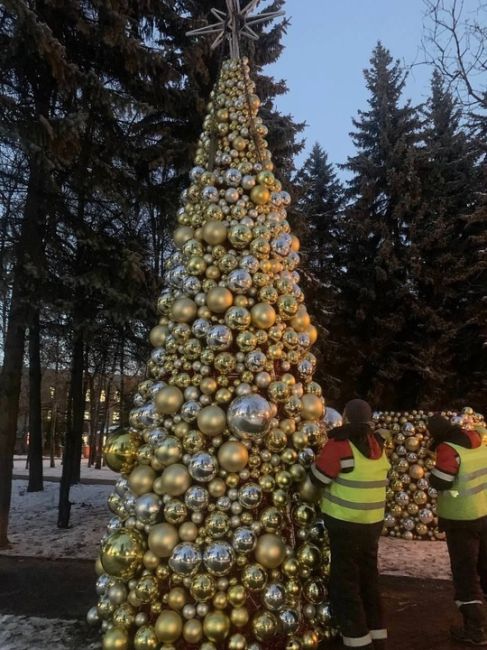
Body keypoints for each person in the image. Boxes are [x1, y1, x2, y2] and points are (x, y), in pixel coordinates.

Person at [310, 399, 389, 650]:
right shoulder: (378, 444)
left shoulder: (340, 445)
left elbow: (319, 478)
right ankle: (378, 636)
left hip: (345, 524)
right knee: (369, 579)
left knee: (346, 584)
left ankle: (357, 641)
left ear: (345, 417)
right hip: (372, 524)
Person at [428, 414, 487, 646]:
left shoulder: (448, 449)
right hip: (483, 513)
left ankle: (475, 629)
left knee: (465, 573)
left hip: (461, 519)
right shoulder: (477, 443)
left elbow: (442, 480)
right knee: (484, 566)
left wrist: (432, 475)